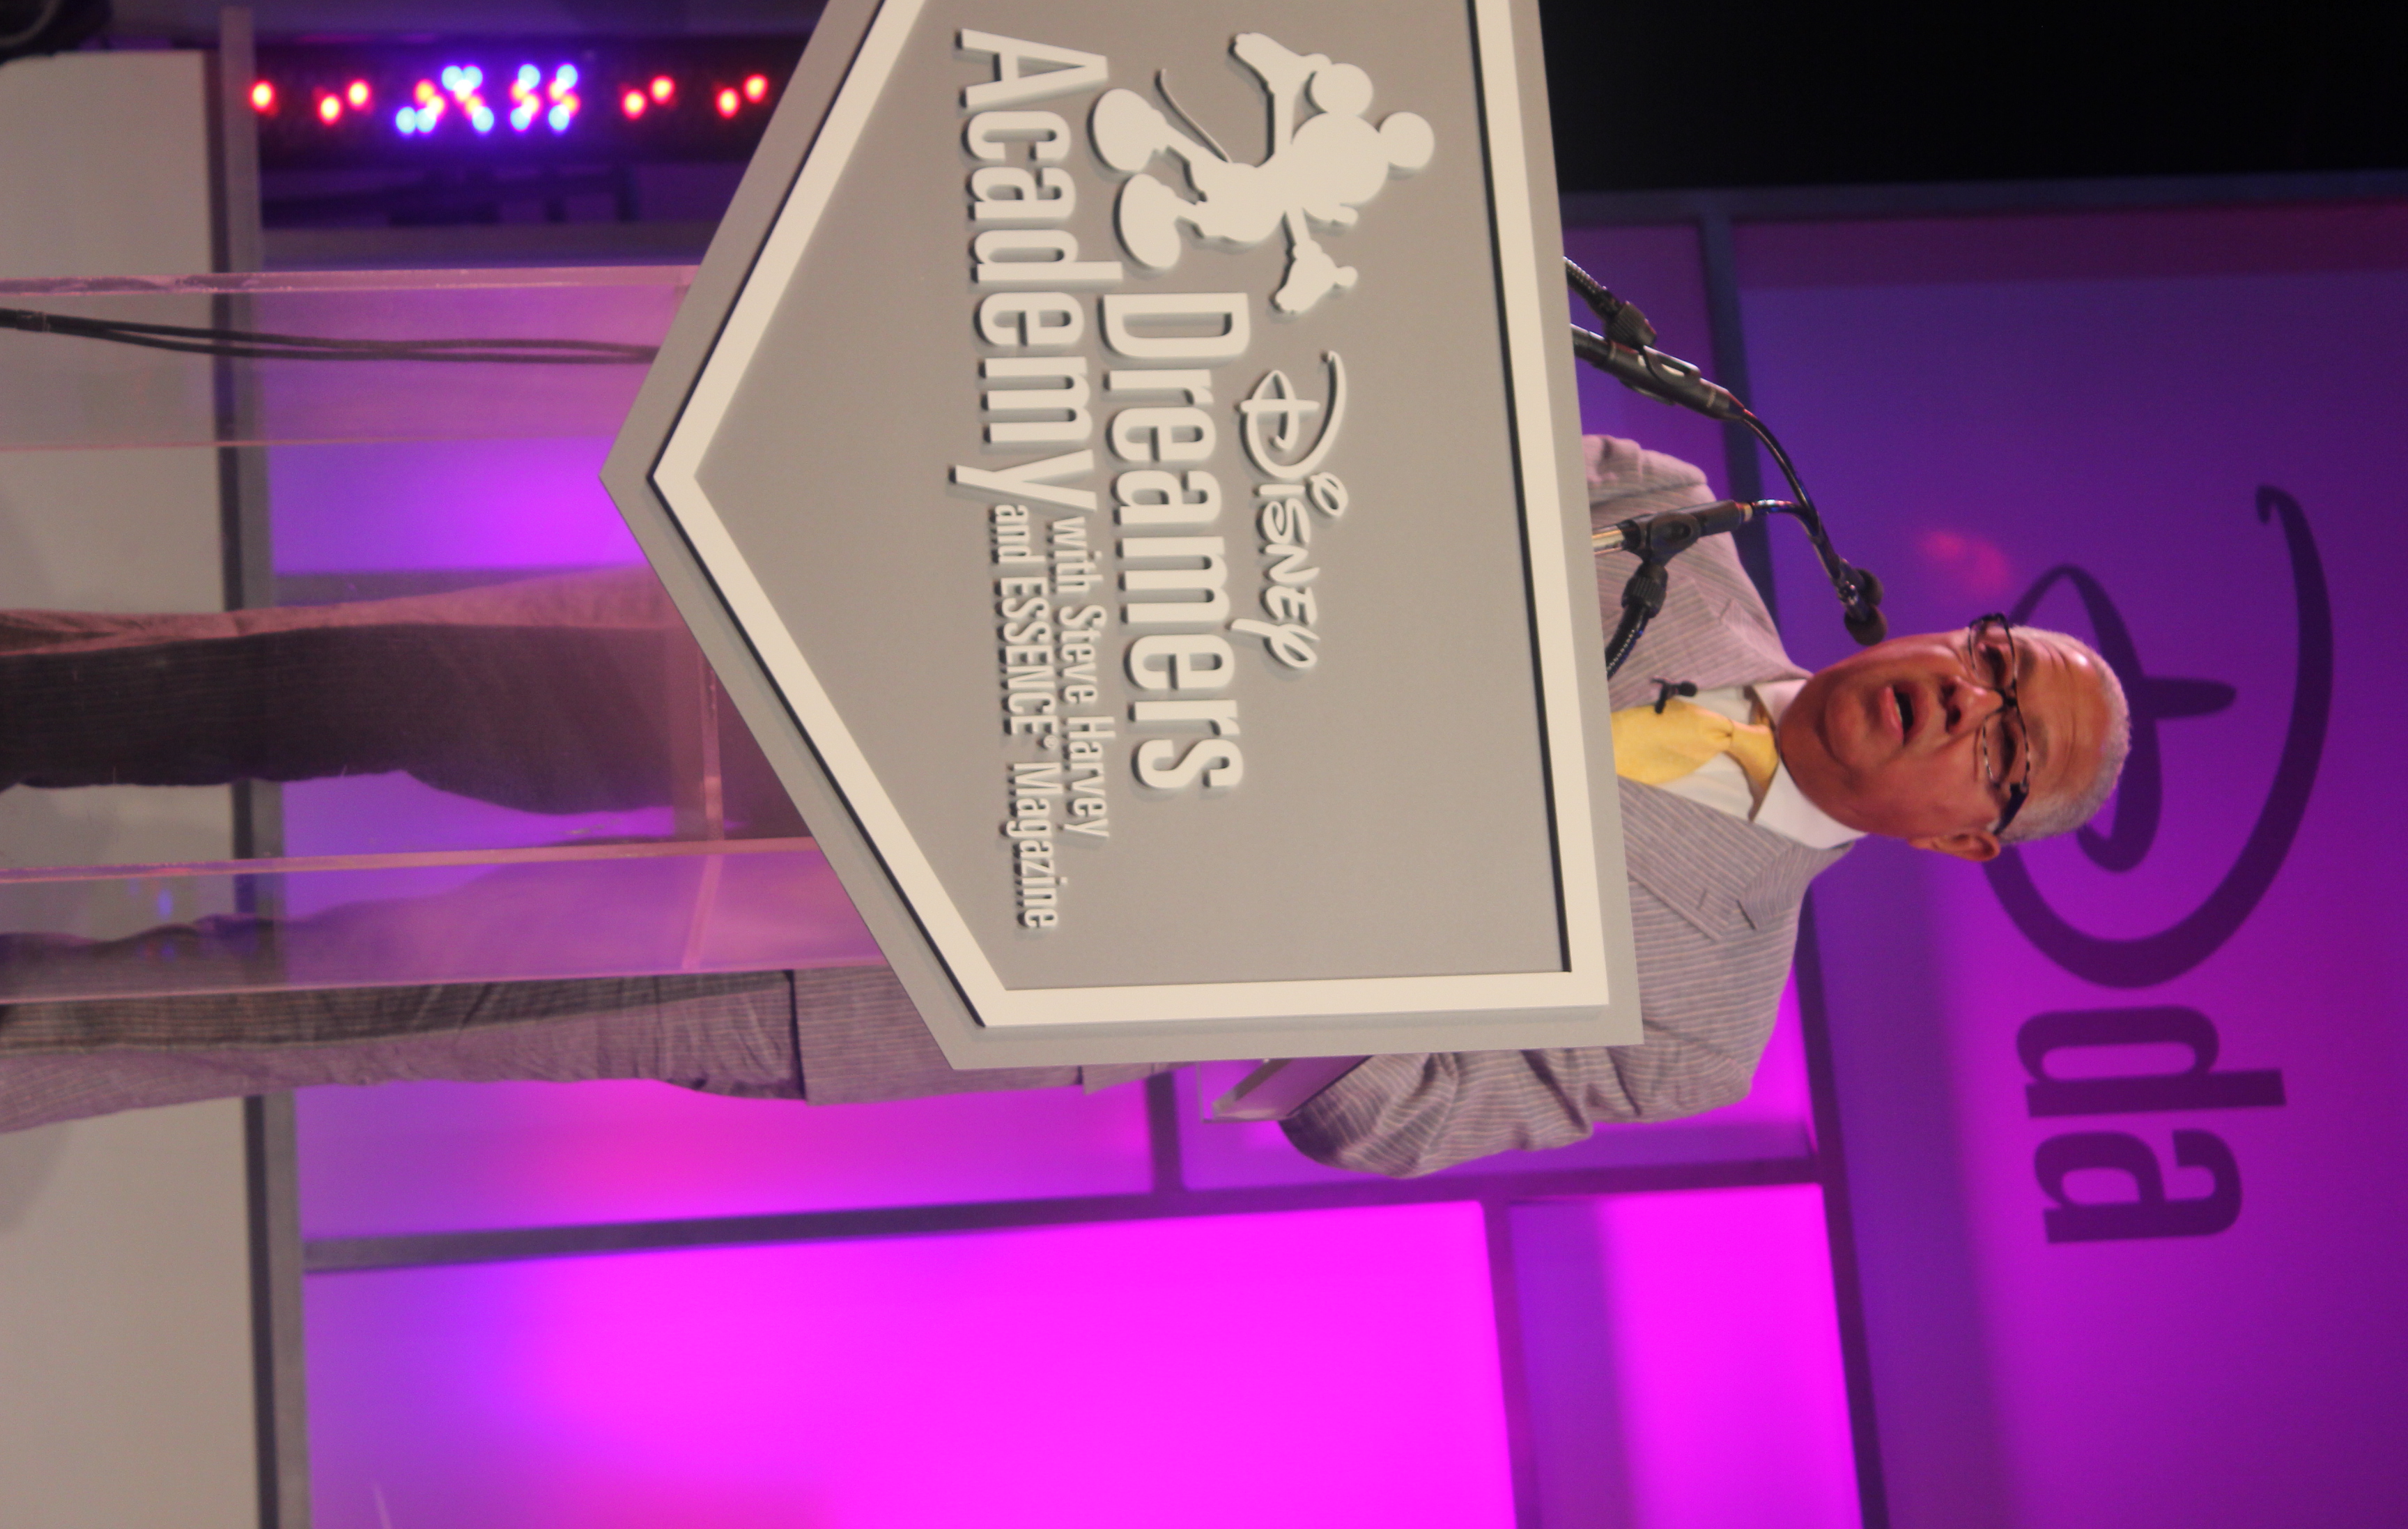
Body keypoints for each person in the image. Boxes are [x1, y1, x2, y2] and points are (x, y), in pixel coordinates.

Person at [0, 437, 2129, 1175]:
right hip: (907, 665)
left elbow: (1390, 1116)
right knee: (353, 676)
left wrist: (1378, 906)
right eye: (1991, 658)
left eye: (2002, 745)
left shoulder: (1694, 1021)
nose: (1964, 697)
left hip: (927, 965)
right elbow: (1356, 432)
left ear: (1967, 836)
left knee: (360, 991)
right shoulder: (1665, 523)